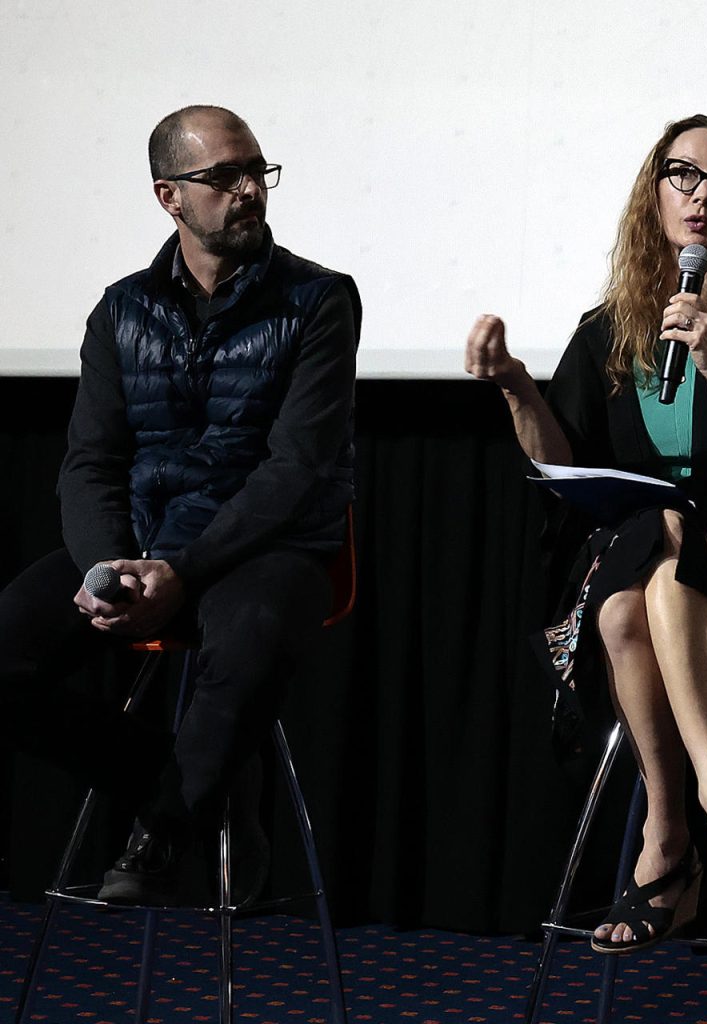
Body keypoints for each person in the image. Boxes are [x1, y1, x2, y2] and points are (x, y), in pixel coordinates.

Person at [465, 114, 707, 954]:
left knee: (662, 548)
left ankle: (671, 838)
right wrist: (516, 387)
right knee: (632, 590)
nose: (703, 194)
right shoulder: (608, 331)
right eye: (684, 175)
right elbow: (562, 469)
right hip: (631, 567)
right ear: (653, 190)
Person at [0, 105, 360, 905]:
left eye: (256, 171)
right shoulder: (123, 310)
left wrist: (184, 572)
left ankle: (161, 828)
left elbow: (295, 466)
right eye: (223, 176)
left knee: (253, 637)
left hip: (267, 549)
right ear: (169, 196)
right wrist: (107, 563)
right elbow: (90, 461)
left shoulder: (319, 301)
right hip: (141, 540)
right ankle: (183, 777)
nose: (248, 190)